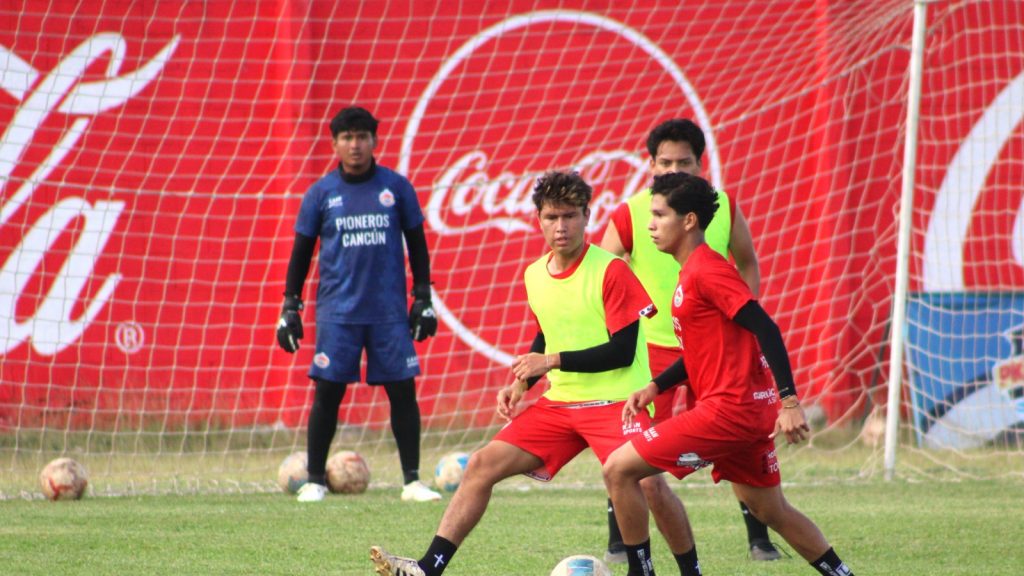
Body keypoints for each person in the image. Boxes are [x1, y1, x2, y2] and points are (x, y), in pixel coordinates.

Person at [369, 171, 701, 576]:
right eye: (550, 217)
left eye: (570, 216)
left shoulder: (611, 270)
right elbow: (547, 332)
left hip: (618, 404)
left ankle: (671, 571)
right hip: (560, 406)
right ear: (538, 219)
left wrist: (552, 361)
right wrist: (521, 381)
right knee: (481, 465)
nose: (561, 227)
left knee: (647, 483)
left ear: (587, 215)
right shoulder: (534, 275)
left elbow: (622, 350)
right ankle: (427, 568)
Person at [602, 172, 855, 576]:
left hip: (727, 412)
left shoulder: (707, 270)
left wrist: (790, 401)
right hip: (745, 412)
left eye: (659, 214)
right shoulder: (691, 273)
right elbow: (702, 353)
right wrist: (656, 384)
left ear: (688, 221)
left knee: (618, 468)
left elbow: (765, 327)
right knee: (770, 509)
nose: (650, 224)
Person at [599, 118, 778, 562]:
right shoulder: (633, 211)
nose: (673, 168)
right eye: (665, 162)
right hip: (653, 353)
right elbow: (604, 272)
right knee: (635, 450)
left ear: (700, 163)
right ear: (651, 163)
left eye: (683, 161)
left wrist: (739, 312)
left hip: (713, 352)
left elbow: (748, 262)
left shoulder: (719, 207)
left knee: (731, 436)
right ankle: (621, 540)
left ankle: (758, 534)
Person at [275, 106, 441, 503]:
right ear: (334, 144)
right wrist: (290, 306)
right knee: (328, 392)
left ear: (374, 142)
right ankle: (315, 480)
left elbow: (417, 244)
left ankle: (412, 481)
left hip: (387, 313)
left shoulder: (396, 188)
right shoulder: (321, 193)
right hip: (338, 313)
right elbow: (301, 252)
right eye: (347, 138)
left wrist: (423, 297)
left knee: (402, 391)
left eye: (362, 136)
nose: (355, 145)